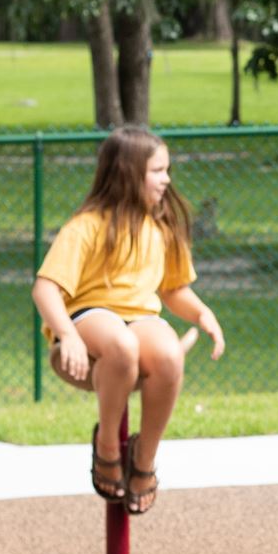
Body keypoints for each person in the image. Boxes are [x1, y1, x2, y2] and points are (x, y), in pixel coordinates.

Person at [31, 126, 225, 515]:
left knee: (169, 353)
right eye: (158, 170)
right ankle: (107, 444)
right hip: (89, 318)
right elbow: (45, 288)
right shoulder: (87, 226)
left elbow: (172, 290)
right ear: (127, 173)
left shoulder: (161, 227)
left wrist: (202, 313)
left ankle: (144, 457)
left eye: (167, 169)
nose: (166, 179)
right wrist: (66, 335)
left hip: (139, 318)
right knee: (121, 344)